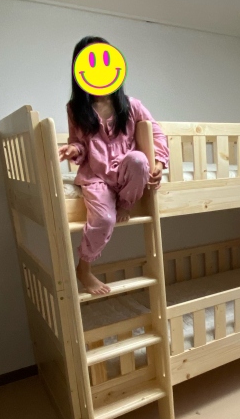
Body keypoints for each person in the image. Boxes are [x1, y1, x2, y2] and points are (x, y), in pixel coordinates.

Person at [59, 36, 169, 296]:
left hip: (125, 172)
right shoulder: (75, 109)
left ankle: (125, 204)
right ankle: (84, 268)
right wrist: (73, 149)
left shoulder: (132, 106)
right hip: (96, 175)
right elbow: (79, 143)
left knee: (139, 159)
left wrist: (159, 162)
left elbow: (156, 134)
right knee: (103, 219)